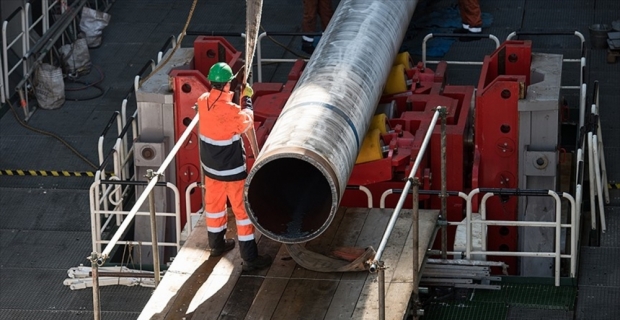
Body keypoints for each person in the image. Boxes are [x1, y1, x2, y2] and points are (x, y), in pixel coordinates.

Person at [197, 62, 272, 271]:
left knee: (213, 208)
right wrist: (247, 97)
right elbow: (246, 121)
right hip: (232, 172)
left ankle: (217, 247)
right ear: (228, 84)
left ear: (211, 81)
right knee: (242, 213)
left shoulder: (202, 101)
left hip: (211, 170)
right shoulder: (232, 111)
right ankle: (249, 258)